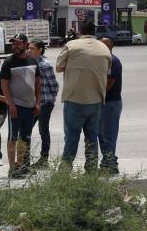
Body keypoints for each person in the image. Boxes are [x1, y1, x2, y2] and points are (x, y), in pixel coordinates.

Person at [55, 22, 109, 170]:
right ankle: (91, 170)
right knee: (92, 138)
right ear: (95, 32)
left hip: (75, 100)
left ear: (80, 31)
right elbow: (107, 72)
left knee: (72, 137)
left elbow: (58, 67)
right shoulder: (104, 48)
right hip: (96, 101)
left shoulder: (72, 45)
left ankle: (65, 171)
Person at [1, 34, 42, 178]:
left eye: (18, 43)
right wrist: (10, 104)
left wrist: (38, 103)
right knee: (12, 138)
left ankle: (21, 166)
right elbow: (4, 85)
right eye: (13, 44)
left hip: (30, 106)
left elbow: (37, 83)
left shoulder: (33, 61)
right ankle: (12, 168)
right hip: (15, 106)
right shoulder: (8, 62)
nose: (15, 46)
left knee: (25, 138)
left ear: (25, 45)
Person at [29, 40, 59, 168]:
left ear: (40, 49)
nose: (29, 50)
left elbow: (54, 84)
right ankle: (25, 159)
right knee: (26, 130)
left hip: (45, 102)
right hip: (32, 102)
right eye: (28, 48)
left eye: (32, 48)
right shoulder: (29, 63)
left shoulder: (45, 65)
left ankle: (44, 159)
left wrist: (51, 99)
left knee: (43, 130)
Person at [98, 37, 122, 175]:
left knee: (109, 135)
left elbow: (110, 81)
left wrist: (96, 94)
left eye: (103, 45)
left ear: (109, 47)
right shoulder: (102, 60)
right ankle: (107, 161)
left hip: (111, 102)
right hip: (102, 102)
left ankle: (111, 164)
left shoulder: (112, 61)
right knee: (101, 134)